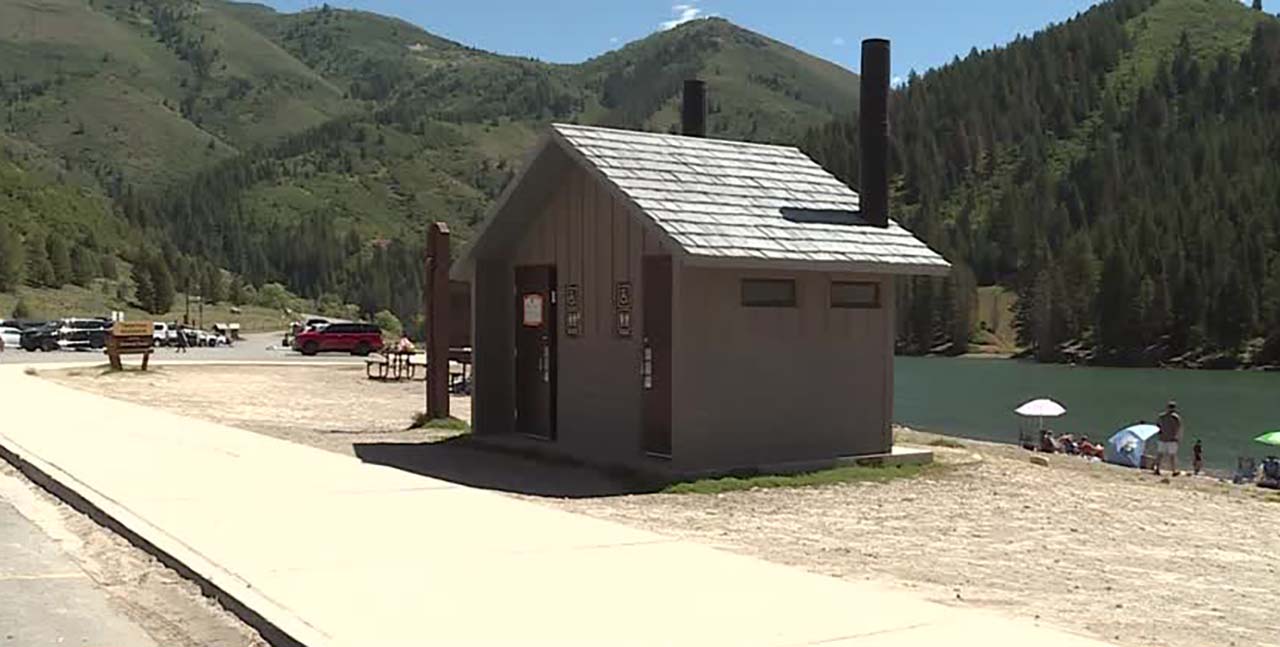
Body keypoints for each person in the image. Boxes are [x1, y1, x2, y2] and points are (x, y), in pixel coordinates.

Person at [1155, 400, 1183, 476]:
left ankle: (1157, 469)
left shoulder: (1162, 416)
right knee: (1172, 456)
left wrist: (1160, 433)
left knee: (1160, 454)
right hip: (1172, 439)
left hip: (1162, 438)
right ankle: (1174, 471)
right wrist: (1178, 437)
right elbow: (1179, 428)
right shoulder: (1176, 417)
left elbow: (1157, 426)